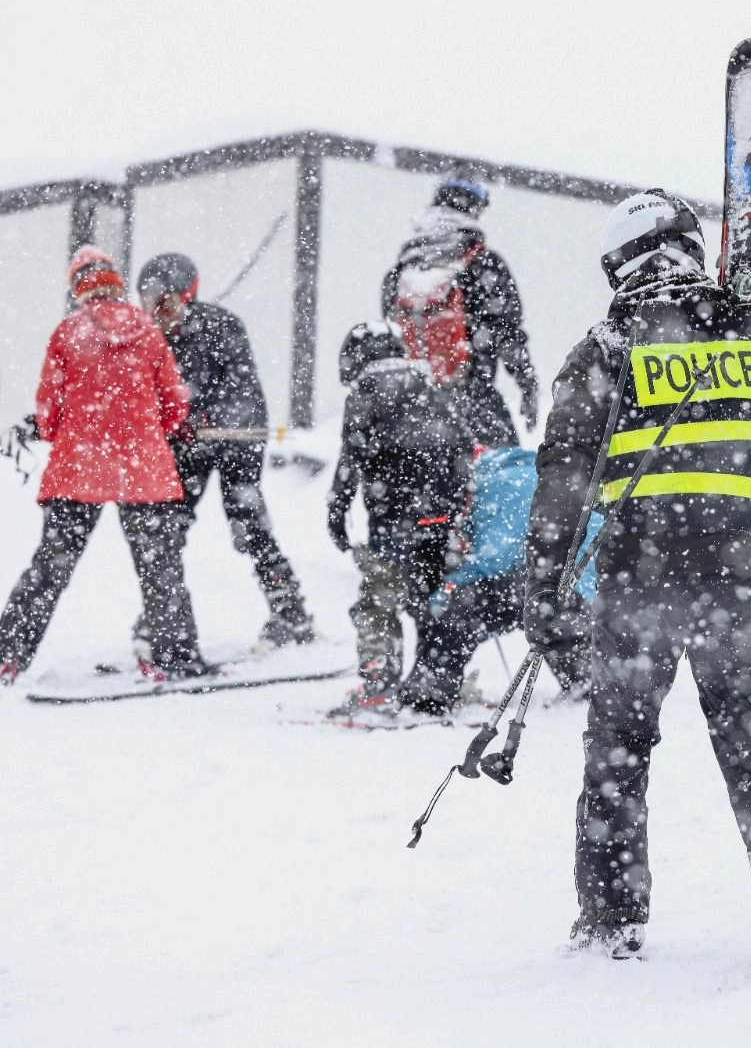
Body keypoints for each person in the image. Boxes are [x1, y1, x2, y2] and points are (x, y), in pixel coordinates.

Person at [521, 189, 751, 976]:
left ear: (620, 265)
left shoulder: (607, 348)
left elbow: (561, 488)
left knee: (618, 753)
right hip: (743, 588)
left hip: (639, 590)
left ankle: (610, 919)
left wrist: (542, 594)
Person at [0, 248, 209, 684]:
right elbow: (175, 406)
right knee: (161, 569)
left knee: (50, 567)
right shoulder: (149, 331)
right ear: (116, 283)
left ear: (78, 288)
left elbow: (48, 414)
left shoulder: (67, 334)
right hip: (143, 466)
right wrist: (143, 429)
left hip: (79, 466)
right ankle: (177, 657)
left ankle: (9, 655)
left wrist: (81, 429)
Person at [135, 253, 314, 650]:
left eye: (165, 303)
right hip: (188, 446)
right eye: (147, 303)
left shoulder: (220, 326)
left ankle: (291, 614)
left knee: (249, 525)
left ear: (187, 297)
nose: (157, 313)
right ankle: (160, 617)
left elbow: (243, 391)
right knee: (169, 530)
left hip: (235, 442)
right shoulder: (152, 340)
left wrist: (203, 418)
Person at [326, 321, 473, 717]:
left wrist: (337, 511)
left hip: (393, 518)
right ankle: (434, 681)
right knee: (430, 601)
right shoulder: (432, 385)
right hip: (438, 518)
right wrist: (456, 507)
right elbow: (463, 446)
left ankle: (380, 680)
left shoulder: (365, 390)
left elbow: (350, 457)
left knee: (378, 601)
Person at [397, 446, 596, 715]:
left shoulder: (499, 485)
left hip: (554, 586)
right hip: (583, 588)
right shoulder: (525, 473)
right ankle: (583, 677)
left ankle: (429, 693)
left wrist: (445, 591)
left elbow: (497, 560)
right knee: (547, 612)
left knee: (458, 610)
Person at [381, 175, 538, 448]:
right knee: (504, 468)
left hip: (410, 404)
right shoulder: (484, 264)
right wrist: (527, 383)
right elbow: (506, 332)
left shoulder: (401, 270)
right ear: (474, 209)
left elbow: (390, 337)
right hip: (471, 398)